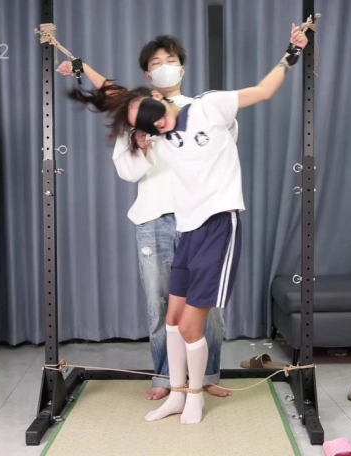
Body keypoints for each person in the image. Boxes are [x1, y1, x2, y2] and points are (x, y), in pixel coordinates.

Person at [65, 23, 309, 424]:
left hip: (218, 223)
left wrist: (291, 53)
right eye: (146, 123)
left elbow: (263, 92)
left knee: (198, 320)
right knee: (170, 318)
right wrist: (81, 69)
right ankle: (176, 393)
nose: (155, 124)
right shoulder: (156, 134)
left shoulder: (208, 106)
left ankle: (196, 392)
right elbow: (116, 94)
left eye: (170, 60)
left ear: (170, 82)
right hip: (180, 225)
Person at [55, 36, 235, 400]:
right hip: (153, 222)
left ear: (182, 69)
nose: (164, 67)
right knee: (159, 305)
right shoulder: (133, 116)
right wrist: (141, 146)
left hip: (201, 220)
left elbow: (223, 151)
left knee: (207, 306)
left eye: (169, 60)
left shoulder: (201, 109)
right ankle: (165, 379)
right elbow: (126, 171)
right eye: (155, 63)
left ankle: (207, 375)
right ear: (148, 76)